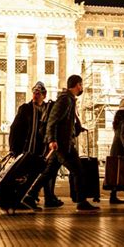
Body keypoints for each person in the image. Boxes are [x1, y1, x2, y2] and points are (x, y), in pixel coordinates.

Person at [22, 75, 100, 211]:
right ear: (77, 85)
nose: (82, 88)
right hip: (62, 144)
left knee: (49, 172)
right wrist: (52, 139)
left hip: (62, 142)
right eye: (81, 85)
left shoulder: (69, 99)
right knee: (78, 170)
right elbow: (53, 120)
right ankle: (81, 201)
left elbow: (64, 122)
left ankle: (30, 196)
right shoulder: (65, 100)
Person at [9, 81, 62, 208]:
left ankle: (46, 197)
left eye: (38, 93)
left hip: (43, 148)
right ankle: (22, 198)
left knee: (43, 172)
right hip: (28, 148)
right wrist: (13, 148)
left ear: (44, 95)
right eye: (34, 92)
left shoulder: (48, 109)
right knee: (26, 175)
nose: (36, 95)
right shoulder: (25, 108)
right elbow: (15, 128)